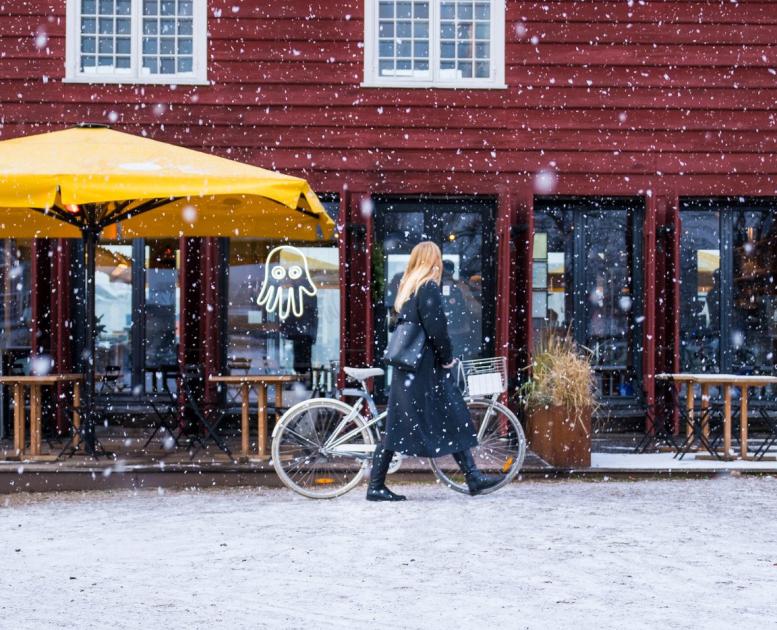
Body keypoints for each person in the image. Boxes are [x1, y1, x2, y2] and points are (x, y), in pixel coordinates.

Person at [367, 241, 501, 501]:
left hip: (411, 371)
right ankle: (471, 476)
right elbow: (437, 329)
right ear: (433, 261)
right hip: (425, 370)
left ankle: (472, 476)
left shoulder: (408, 289)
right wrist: (447, 358)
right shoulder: (427, 287)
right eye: (437, 259)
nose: (440, 263)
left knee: (408, 422)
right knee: (450, 414)